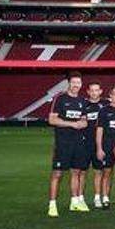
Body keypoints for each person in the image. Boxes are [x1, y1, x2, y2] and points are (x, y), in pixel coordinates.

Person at [47, 71, 88, 218]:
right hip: (63, 142)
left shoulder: (82, 101)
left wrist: (82, 124)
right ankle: (52, 204)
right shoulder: (60, 98)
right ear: (69, 83)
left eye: (78, 83)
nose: (76, 85)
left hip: (78, 142)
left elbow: (84, 120)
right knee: (57, 174)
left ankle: (74, 202)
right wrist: (72, 124)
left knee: (76, 172)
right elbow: (52, 120)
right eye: (74, 82)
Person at [79, 80, 105, 209]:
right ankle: (80, 198)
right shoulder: (83, 104)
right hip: (84, 143)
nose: (94, 93)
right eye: (92, 90)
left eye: (97, 90)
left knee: (98, 172)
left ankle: (97, 197)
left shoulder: (105, 104)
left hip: (99, 144)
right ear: (88, 92)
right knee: (82, 172)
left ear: (101, 91)